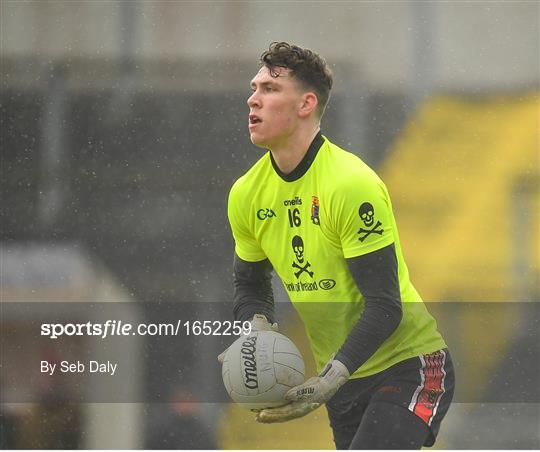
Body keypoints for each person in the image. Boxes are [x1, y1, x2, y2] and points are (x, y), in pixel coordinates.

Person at [221, 42, 455, 450]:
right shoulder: (245, 194)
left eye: (270, 89)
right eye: (255, 87)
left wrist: (329, 377)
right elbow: (251, 284)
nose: (252, 98)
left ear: (306, 103)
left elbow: (384, 305)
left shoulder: (351, 184)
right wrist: (254, 331)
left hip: (408, 367)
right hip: (346, 386)